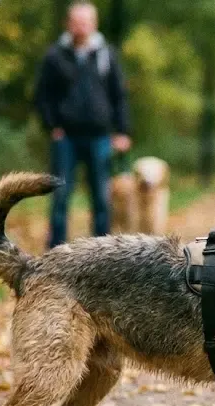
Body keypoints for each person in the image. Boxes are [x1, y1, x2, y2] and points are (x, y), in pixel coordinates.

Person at [35, 0, 132, 248]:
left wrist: (122, 131)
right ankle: (54, 251)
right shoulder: (55, 55)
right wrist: (51, 126)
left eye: (86, 22)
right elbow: (42, 95)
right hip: (65, 137)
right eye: (77, 22)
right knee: (60, 196)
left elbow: (118, 95)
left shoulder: (106, 54)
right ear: (68, 23)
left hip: (100, 136)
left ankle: (102, 253)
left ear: (94, 24)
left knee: (101, 199)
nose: (81, 27)